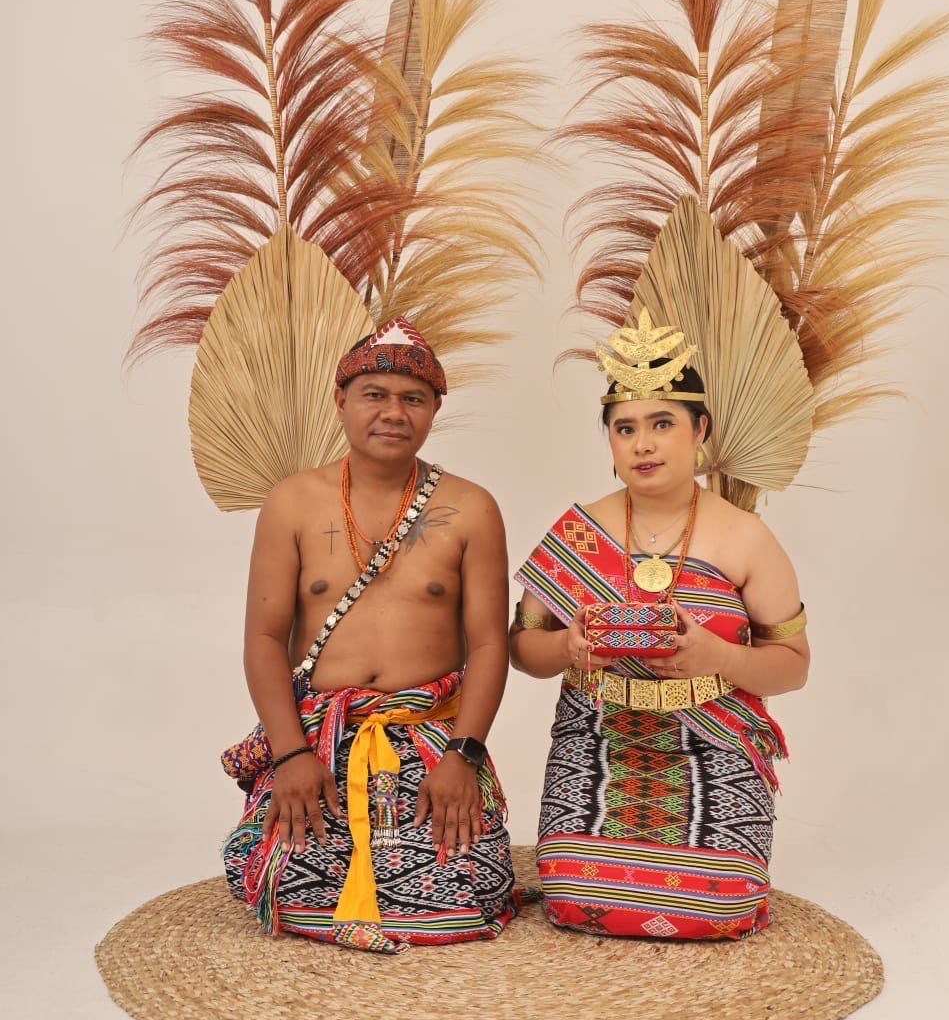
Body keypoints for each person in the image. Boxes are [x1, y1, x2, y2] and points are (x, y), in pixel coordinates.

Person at [222, 318, 517, 952]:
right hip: (319, 740)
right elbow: (264, 639)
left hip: (431, 736)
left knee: (466, 894)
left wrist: (463, 757)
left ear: (435, 409)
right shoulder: (293, 501)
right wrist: (290, 756)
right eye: (374, 395)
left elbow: (491, 644)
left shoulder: (471, 507)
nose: (393, 413)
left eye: (413, 398)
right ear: (341, 401)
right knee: (285, 884)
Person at [510, 316, 810, 941]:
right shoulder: (577, 531)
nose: (642, 444)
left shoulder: (747, 537)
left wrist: (717, 657)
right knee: (574, 897)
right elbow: (523, 649)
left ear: (700, 431)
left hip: (713, 742)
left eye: (662, 424)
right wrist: (567, 646)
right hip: (596, 739)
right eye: (625, 428)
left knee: (717, 908)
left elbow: (793, 666)